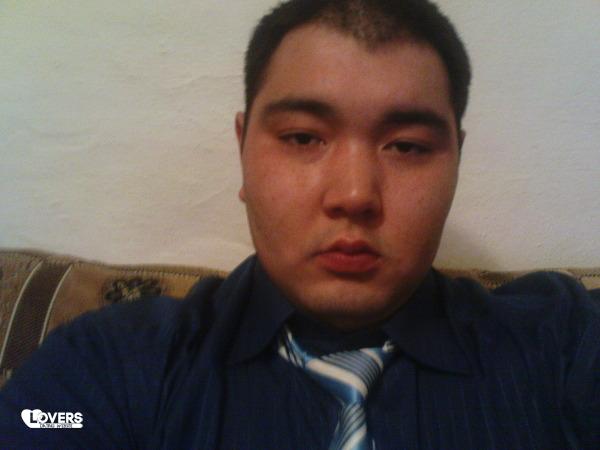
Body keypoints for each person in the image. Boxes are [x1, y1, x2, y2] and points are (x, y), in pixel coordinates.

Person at [1, 0, 599, 448]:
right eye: (303, 138)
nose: (355, 194)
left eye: (408, 146)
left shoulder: (562, 342)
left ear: (457, 161)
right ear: (243, 150)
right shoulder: (108, 366)